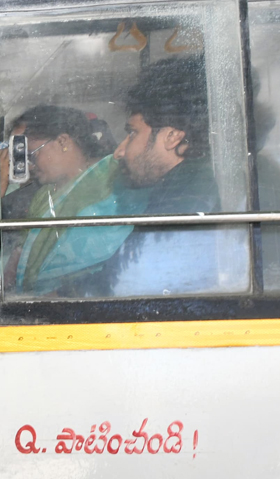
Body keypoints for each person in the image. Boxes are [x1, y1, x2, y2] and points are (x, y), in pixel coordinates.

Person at [82, 55, 241, 297]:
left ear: (172, 137)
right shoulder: (192, 183)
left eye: (132, 133)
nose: (119, 151)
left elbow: (129, 285)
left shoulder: (185, 199)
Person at [8, 105, 138, 294]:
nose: (28, 165)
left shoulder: (113, 177)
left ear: (62, 142)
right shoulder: (43, 195)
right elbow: (19, 255)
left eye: (31, 154)